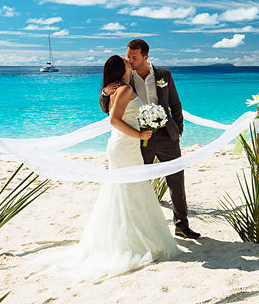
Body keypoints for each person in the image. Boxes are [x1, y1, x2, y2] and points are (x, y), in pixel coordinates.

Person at [29, 56, 179, 282]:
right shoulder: (124, 89)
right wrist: (139, 134)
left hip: (124, 145)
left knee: (127, 191)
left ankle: (133, 237)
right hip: (124, 145)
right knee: (130, 190)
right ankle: (133, 241)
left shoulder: (115, 89)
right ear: (122, 68)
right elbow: (114, 120)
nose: (129, 60)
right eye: (125, 60)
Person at [100, 38, 201, 239]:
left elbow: (175, 104)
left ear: (145, 56)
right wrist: (104, 92)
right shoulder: (124, 80)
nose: (129, 59)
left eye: (133, 56)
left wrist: (178, 129)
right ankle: (140, 229)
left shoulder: (164, 75)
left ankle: (182, 226)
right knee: (139, 182)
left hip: (166, 134)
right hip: (138, 138)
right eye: (127, 55)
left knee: (176, 180)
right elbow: (107, 109)